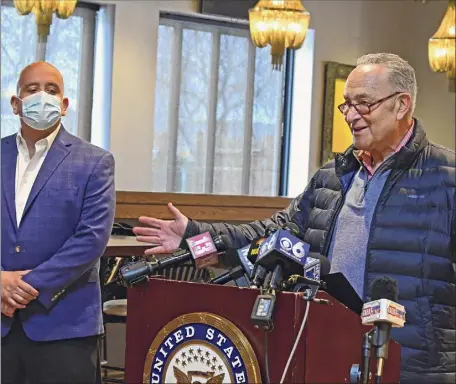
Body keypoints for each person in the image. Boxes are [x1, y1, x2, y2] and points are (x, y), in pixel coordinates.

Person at [134, 53, 455, 383]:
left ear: (402, 105)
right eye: (347, 104)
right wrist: (194, 236)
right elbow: (274, 236)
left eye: (364, 103)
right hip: (331, 355)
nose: (351, 115)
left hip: (415, 368)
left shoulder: (447, 178)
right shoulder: (333, 175)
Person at [1, 61, 115, 384]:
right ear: (15, 103)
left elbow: (91, 240)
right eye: (32, 89)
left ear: (64, 106)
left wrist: (20, 288)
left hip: (65, 327)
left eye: (52, 91)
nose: (42, 97)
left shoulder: (95, 162)